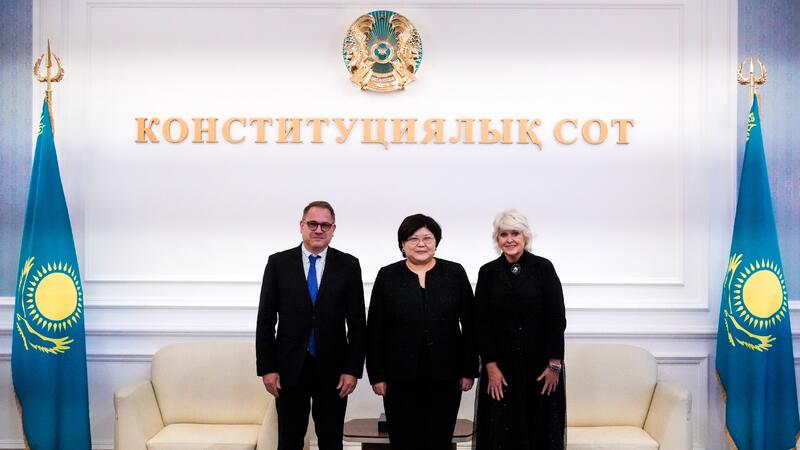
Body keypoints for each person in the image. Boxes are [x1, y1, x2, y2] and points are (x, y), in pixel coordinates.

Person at [256, 201, 367, 450]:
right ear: (301, 225)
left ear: (333, 229)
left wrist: (352, 370)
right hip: (288, 369)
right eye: (313, 224)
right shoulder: (278, 263)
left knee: (331, 440)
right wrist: (267, 368)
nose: (318, 230)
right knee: (289, 440)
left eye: (325, 225)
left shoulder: (349, 265)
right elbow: (265, 321)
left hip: (334, 370)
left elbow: (358, 324)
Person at [366, 213, 478, 450]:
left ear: (436, 242)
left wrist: (468, 370)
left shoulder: (454, 273)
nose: (421, 244)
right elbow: (375, 328)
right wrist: (377, 375)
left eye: (427, 238)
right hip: (399, 376)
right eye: (413, 238)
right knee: (404, 439)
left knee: (439, 437)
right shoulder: (388, 276)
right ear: (402, 244)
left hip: (446, 374)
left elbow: (470, 325)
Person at [473, 209, 566, 450]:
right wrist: (491, 367)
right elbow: (482, 324)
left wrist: (554, 365)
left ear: (526, 236)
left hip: (541, 369)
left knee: (539, 432)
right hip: (501, 369)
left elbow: (557, 319)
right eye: (503, 234)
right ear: (497, 239)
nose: (510, 239)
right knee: (501, 434)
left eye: (515, 233)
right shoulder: (487, 272)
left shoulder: (543, 268)